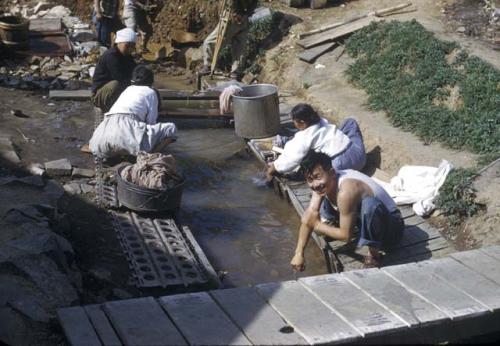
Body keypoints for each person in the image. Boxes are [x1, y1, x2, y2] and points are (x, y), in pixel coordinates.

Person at [291, 150, 404, 270]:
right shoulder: (323, 184)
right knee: (321, 196)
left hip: (392, 228)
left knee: (369, 204)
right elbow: (309, 217)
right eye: (310, 179)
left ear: (332, 172)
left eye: (317, 177)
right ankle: (335, 224)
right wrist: (299, 253)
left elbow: (346, 236)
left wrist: (318, 225)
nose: (315, 184)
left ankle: (374, 256)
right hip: (362, 217)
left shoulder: (346, 190)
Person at [89, 65, 177, 158]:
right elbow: (151, 122)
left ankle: (119, 152)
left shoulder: (128, 89)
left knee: (118, 144)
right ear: (151, 81)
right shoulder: (151, 92)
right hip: (128, 135)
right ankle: (149, 156)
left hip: (101, 140)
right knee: (171, 129)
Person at [267, 103, 366, 179]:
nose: (294, 124)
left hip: (342, 166)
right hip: (358, 155)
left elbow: (290, 161)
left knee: (311, 160)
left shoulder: (303, 138)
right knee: (350, 122)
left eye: (294, 121)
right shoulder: (321, 121)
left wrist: (273, 168)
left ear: (302, 122)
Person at [200, 0, 258, 78]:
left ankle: (208, 66)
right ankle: (236, 71)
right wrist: (247, 14)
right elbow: (254, 3)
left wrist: (235, 13)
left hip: (231, 17)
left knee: (209, 42)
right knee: (239, 45)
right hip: (243, 18)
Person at [91, 28, 137, 113]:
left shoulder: (127, 55)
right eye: (127, 46)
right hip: (101, 94)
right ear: (119, 43)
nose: (130, 49)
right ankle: (109, 109)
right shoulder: (111, 56)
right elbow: (119, 77)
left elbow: (135, 70)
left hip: (118, 90)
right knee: (116, 84)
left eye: (132, 46)